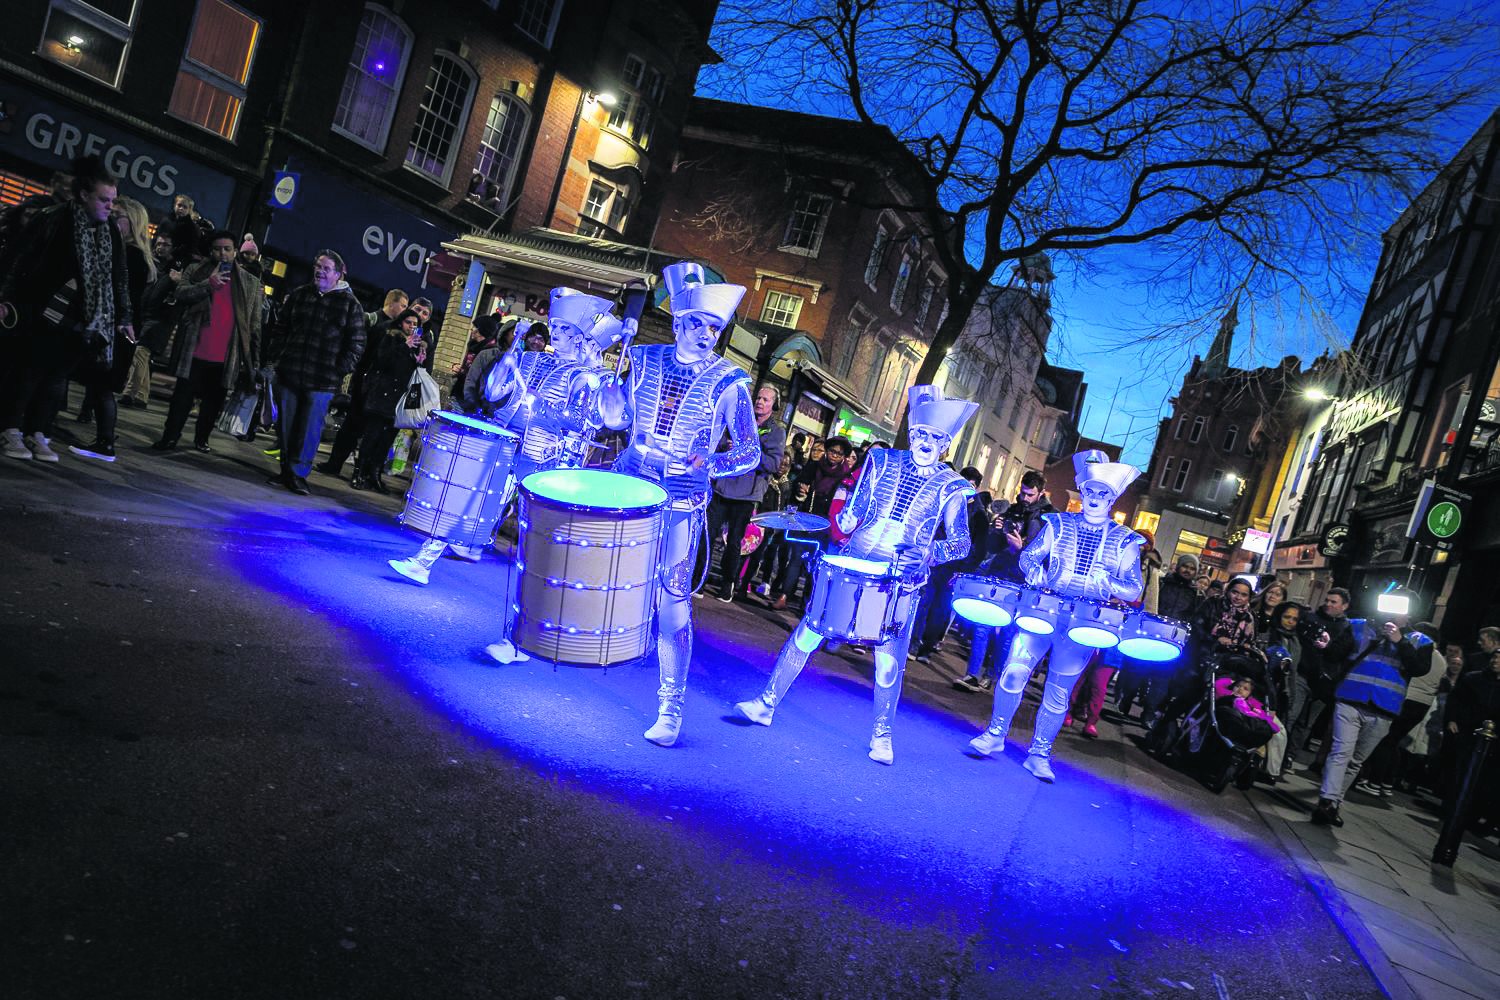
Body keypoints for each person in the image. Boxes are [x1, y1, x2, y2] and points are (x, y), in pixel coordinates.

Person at [735, 385, 977, 764]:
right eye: (920, 434)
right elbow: (856, 510)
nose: (925, 442)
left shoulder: (953, 487)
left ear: (945, 444)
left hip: (898, 581)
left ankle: (882, 736)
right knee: (808, 633)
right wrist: (843, 517)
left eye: (934, 438)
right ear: (911, 433)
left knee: (888, 661)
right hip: (855, 562)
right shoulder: (881, 461)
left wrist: (931, 553)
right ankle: (766, 703)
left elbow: (961, 543)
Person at [598, 262, 758, 746]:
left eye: (715, 329)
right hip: (629, 489)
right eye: (697, 324)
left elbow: (749, 451)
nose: (706, 335)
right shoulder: (643, 358)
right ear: (678, 323)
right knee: (599, 572)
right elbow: (619, 420)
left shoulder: (730, 381)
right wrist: (610, 401)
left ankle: (670, 708)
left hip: (681, 504)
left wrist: (710, 463)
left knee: (672, 603)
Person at [399, 289, 620, 589]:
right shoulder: (529, 360)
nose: (556, 332)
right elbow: (494, 393)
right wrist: (510, 357)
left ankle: (545, 595)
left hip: (542, 458)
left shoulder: (583, 376)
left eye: (564, 328)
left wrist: (543, 406)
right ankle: (424, 562)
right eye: (554, 326)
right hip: (506, 446)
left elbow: (580, 422)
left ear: (579, 337)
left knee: (542, 535)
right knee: (471, 499)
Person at [966, 451, 1145, 781]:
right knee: (1014, 672)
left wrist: (1106, 581)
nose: (1095, 498)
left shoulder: (1124, 540)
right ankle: (995, 733)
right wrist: (1039, 576)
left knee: (1059, 690)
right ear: (1082, 491)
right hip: (1043, 611)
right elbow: (1029, 558)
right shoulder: (1059, 524)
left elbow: (1134, 587)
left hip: (1083, 624)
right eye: (1090, 491)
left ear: (1113, 498)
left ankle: (1040, 752)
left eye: (1103, 493)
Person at [0, 155, 133, 463]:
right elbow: (19, 258)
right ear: (84, 195)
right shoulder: (53, 218)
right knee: (29, 372)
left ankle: (38, 433)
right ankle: (10, 429)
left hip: (83, 318)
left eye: (112, 200)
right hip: (42, 311)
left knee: (57, 378)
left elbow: (119, 276)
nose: (110, 206)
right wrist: (4, 298)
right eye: (104, 200)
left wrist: (124, 316)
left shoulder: (111, 232)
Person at [149, 230, 262, 455]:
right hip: (195, 348)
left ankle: (202, 438)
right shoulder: (196, 270)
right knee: (181, 399)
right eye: (217, 249)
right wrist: (209, 284)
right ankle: (170, 437)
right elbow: (181, 293)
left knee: (213, 402)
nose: (222, 253)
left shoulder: (249, 282)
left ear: (235, 251)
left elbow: (254, 324)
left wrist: (255, 359)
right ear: (211, 251)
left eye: (227, 249)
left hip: (225, 355)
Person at [1311, 617, 1431, 828]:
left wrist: (1400, 641)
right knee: (1341, 752)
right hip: (1350, 698)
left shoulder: (1420, 640)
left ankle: (1333, 803)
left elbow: (1419, 668)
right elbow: (1334, 655)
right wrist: (1327, 646)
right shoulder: (1359, 626)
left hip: (1384, 707)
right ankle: (1327, 800)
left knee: (1356, 760)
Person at [264, 250, 365, 496]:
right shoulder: (300, 294)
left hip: (322, 381)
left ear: (339, 274)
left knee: (309, 428)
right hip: (290, 372)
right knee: (286, 425)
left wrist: (338, 370)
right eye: (317, 267)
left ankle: (298, 474)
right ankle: (286, 470)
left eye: (326, 268)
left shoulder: (350, 305)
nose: (320, 272)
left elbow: (356, 344)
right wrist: (278, 356)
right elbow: (282, 327)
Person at [70, 194, 155, 460]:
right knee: (100, 387)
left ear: (133, 222)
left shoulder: (130, 254)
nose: (112, 219)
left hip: (116, 329)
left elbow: (116, 293)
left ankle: (105, 442)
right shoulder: (136, 254)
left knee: (102, 388)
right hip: (119, 328)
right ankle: (104, 440)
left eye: (118, 216)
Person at [952, 470, 1054, 692]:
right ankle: (972, 675)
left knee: (1008, 633)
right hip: (999, 573)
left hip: (1023, 581)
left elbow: (1047, 557)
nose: (1025, 498)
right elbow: (992, 547)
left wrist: (1021, 549)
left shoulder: (1049, 520)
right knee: (982, 625)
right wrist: (996, 531)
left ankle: (992, 676)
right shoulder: (1012, 510)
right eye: (1023, 493)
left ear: (1041, 493)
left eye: (1030, 494)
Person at [706, 384, 786, 603]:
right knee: (708, 534)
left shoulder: (776, 432)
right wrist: (726, 447)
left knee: (734, 542)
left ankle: (727, 585)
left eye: (766, 399)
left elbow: (773, 464)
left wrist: (748, 454)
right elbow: (718, 443)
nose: (760, 402)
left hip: (747, 494)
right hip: (723, 486)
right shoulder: (740, 420)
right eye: (758, 397)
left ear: (774, 405)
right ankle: (698, 579)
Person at [910, 465, 989, 662]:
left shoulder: (979, 514)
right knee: (923, 602)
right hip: (935, 561)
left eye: (971, 485)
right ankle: (913, 644)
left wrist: (963, 571)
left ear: (976, 487)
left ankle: (926, 648)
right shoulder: (948, 501)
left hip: (955, 568)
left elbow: (979, 548)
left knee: (940, 609)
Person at [1357, 620, 1442, 797]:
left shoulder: (1420, 652)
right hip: (1422, 705)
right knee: (1394, 742)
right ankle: (1387, 782)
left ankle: (1373, 781)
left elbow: (1409, 670)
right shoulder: (1441, 659)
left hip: (1408, 699)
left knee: (1385, 740)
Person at [770, 435, 851, 610]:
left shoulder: (845, 475)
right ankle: (784, 595)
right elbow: (798, 484)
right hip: (806, 519)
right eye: (832, 451)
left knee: (815, 563)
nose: (834, 455)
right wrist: (802, 489)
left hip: (825, 523)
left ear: (843, 456)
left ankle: (806, 602)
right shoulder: (814, 466)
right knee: (796, 558)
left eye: (839, 453)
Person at [351, 307, 427, 493]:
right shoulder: (390, 337)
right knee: (372, 436)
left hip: (400, 399)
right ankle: (359, 473)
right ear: (400, 322)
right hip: (382, 395)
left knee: (387, 439)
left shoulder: (419, 345)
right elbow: (382, 361)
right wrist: (404, 346)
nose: (411, 326)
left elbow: (416, 375)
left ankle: (375, 474)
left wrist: (419, 361)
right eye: (408, 322)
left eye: (415, 324)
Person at [1285, 587, 1359, 771]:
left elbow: (1342, 654)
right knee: (1290, 716)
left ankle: (1289, 757)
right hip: (1302, 675)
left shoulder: (1347, 628)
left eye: (1334, 602)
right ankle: (1275, 754)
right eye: (1327, 600)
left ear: (1344, 606)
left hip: (1325, 683)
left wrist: (1329, 645)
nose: (1328, 604)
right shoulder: (1311, 618)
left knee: (1305, 724)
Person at [119, 224, 180, 410]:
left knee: (140, 351)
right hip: (145, 315)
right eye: (159, 244)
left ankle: (130, 392)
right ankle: (141, 395)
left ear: (173, 247)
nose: (161, 247)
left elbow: (177, 297)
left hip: (160, 319)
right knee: (143, 356)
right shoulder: (151, 263)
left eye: (166, 245)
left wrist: (175, 283)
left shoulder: (175, 270)